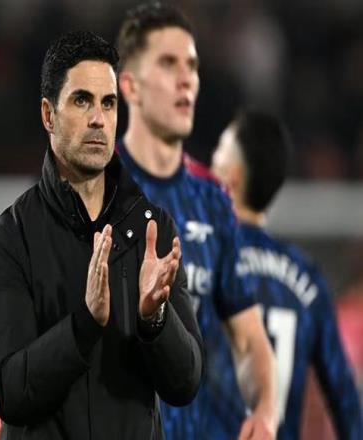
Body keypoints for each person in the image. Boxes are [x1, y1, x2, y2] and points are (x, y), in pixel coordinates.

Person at [0, 30, 204, 440]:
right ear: (48, 115)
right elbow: (8, 393)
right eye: (82, 100)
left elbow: (185, 384)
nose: (98, 118)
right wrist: (84, 326)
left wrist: (155, 319)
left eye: (108, 103)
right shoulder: (11, 239)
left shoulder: (151, 230)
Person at [116, 3, 277, 440]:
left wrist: (265, 411)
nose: (186, 78)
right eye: (168, 64)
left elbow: (249, 338)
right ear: (130, 86)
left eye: (192, 65)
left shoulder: (213, 200)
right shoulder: (91, 189)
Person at [211, 110, 363, 439]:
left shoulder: (207, 262)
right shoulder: (307, 279)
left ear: (231, 178)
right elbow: (344, 399)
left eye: (219, 152)